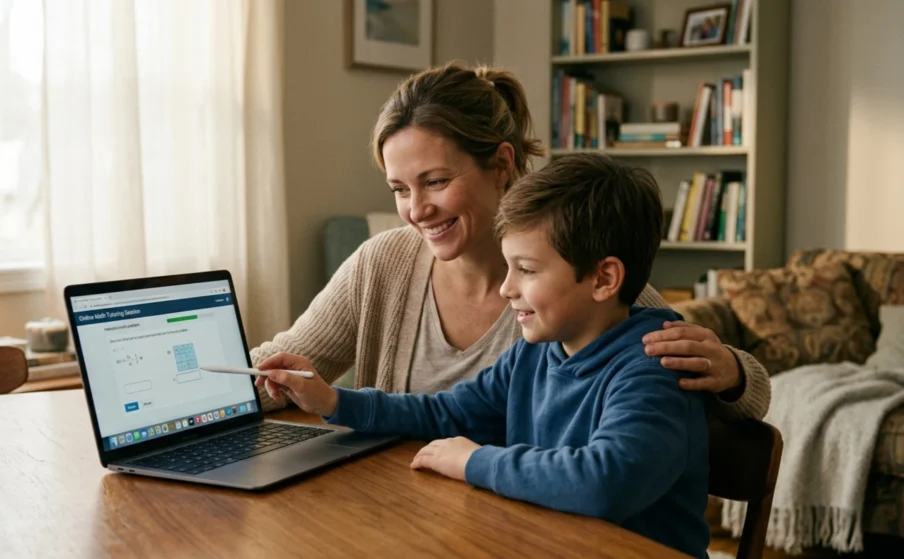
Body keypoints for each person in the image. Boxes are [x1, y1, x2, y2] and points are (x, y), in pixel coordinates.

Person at [250, 62, 770, 420]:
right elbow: (287, 366)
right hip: (396, 513)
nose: (416, 210)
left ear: (500, 164)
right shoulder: (381, 262)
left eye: (434, 182)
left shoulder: (566, 274)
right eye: (399, 189)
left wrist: (731, 372)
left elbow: (747, 388)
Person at [256, 153, 711, 558]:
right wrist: (336, 402)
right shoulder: (536, 353)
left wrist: (472, 461)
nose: (506, 287)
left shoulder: (654, 366)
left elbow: (605, 482)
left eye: (527, 270)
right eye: (509, 266)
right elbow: (449, 412)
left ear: (603, 279)